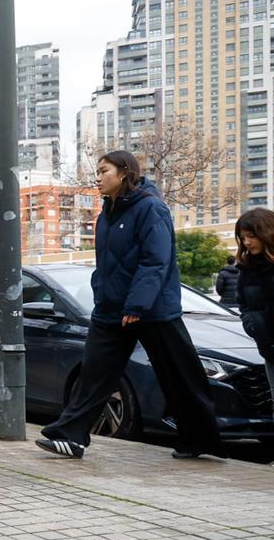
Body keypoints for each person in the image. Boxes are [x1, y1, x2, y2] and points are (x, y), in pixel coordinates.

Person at [37, 150, 222, 461]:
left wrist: (136, 306)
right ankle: (71, 436)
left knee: (179, 376)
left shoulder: (151, 208)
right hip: (111, 311)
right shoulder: (105, 215)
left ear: (124, 172)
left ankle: (200, 439)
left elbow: (156, 261)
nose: (97, 177)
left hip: (152, 310)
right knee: (94, 374)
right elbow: (107, 265)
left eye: (104, 170)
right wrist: (102, 295)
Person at [234, 208, 274, 403]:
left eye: (252, 236)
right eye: (243, 238)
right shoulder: (246, 268)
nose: (247, 242)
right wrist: (252, 323)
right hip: (269, 348)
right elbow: (243, 303)